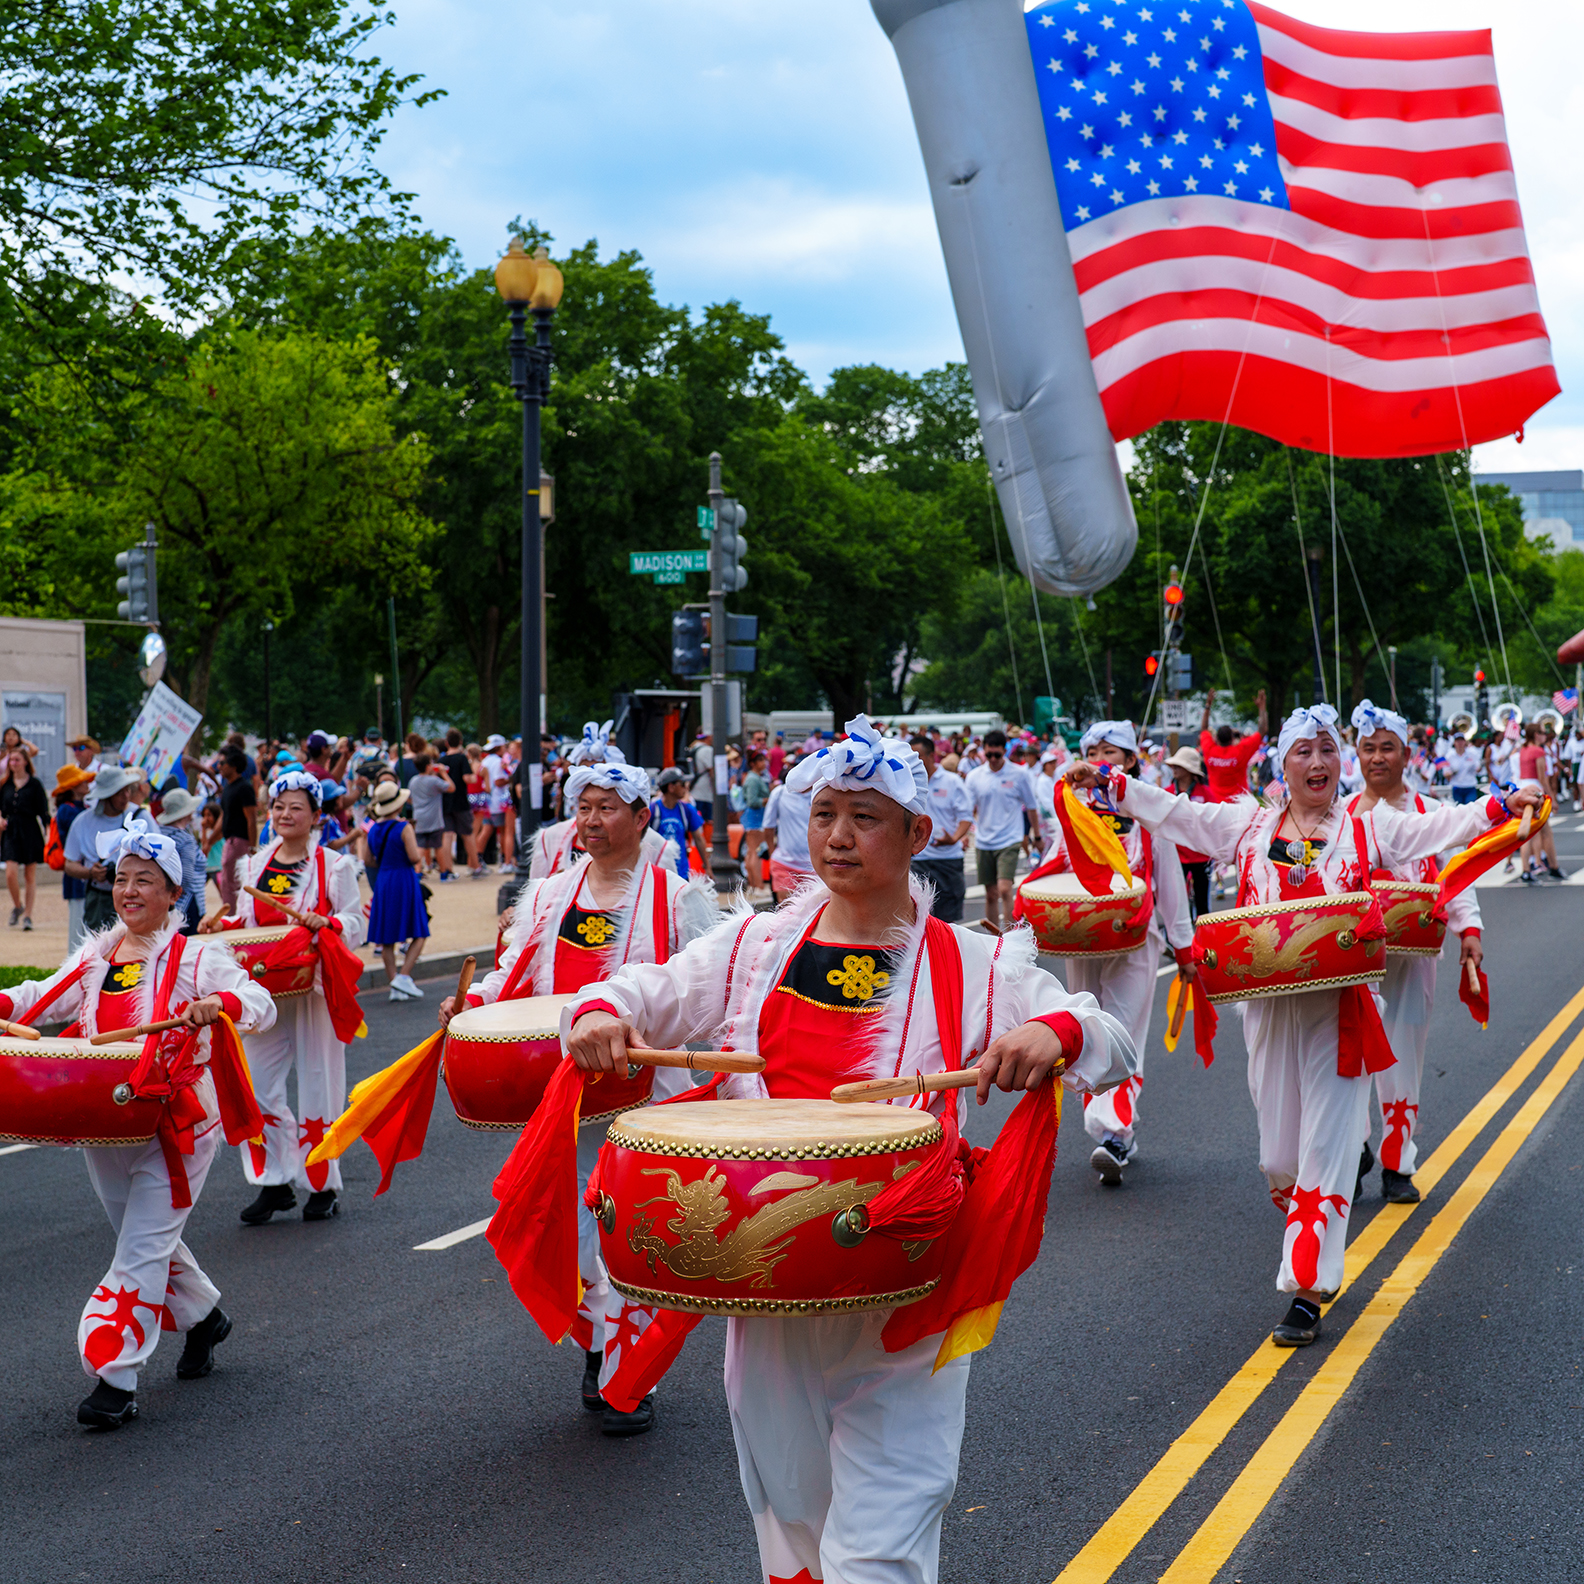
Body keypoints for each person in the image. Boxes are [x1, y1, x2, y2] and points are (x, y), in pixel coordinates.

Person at [560, 715, 1136, 1581]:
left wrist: (1054, 1030)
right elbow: (647, 990)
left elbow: (1107, 1039)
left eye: (865, 817)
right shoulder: (755, 945)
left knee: (882, 1537)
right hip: (767, 1278)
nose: (837, 836)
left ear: (919, 834)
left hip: (906, 1283)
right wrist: (600, 1010)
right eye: (825, 812)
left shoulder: (973, 963)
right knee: (789, 1520)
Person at [1065, 704, 1541, 1346]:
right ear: (1281, 764)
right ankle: (1309, 1236)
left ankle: (1309, 1287)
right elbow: (1179, 814)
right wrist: (1110, 784)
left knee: (1328, 1142)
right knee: (1278, 1157)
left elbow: (1443, 829)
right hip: (1265, 1010)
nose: (1317, 763)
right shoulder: (1248, 824)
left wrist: (1502, 805)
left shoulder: (1369, 828)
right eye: (1302, 753)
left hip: (1340, 1008)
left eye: (1326, 751)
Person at [438, 748, 716, 1436]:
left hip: (649, 1095)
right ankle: (602, 1344)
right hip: (566, 1091)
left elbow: (707, 990)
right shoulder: (552, 893)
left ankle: (622, 1366)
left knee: (633, 1225)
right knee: (579, 1223)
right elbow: (514, 968)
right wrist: (471, 1005)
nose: (590, 821)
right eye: (583, 807)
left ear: (642, 816)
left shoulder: (677, 898)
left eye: (607, 808)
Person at [0, 821, 274, 1428]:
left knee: (142, 1246)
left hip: (177, 1123)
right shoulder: (97, 958)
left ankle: (114, 1375)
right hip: (107, 1120)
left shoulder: (194, 957)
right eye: (121, 879)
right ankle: (205, 1319)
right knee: (145, 1239)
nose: (128, 891)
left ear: (172, 893)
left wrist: (219, 1005)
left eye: (143, 881)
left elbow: (260, 1003)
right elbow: (40, 999)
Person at [203, 770, 368, 1223]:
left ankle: (321, 1183)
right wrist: (222, 927)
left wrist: (329, 925)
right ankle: (274, 1181)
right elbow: (247, 925)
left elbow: (356, 923)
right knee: (254, 1083)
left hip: (313, 987)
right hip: (264, 990)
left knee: (320, 1084)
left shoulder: (334, 866)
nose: (285, 814)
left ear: (316, 816)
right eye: (279, 807)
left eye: (297, 807)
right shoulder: (254, 866)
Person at [1033, 722, 1194, 1186]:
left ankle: (1115, 1132)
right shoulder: (1073, 807)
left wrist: (1184, 948)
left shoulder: (1145, 808)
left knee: (1124, 1029)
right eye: (1095, 750)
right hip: (1085, 938)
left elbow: (1168, 882)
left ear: (1129, 761)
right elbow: (1056, 865)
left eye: (1113, 751)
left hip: (1135, 939)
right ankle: (1112, 1129)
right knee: (1088, 1028)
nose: (1103, 757)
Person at [1347, 701, 1483, 1205]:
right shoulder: (1341, 816)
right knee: (1347, 1056)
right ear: (1356, 756)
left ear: (1406, 754)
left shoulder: (1430, 814)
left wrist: (1469, 927)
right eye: (1368, 749)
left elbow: (1456, 874)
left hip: (1413, 955)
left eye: (1388, 748)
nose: (1378, 758)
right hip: (1354, 958)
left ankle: (1396, 1164)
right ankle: (1353, 1144)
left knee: (1403, 1057)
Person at [964, 729, 1040, 933]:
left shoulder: (1019, 774)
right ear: (983, 753)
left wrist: (1037, 836)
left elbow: (1031, 806)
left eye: (997, 755)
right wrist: (963, 835)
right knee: (990, 893)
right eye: (989, 755)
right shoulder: (974, 776)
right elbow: (967, 810)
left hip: (1010, 839)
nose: (993, 759)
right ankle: (993, 938)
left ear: (1005, 751)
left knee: (1005, 889)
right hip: (984, 840)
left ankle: (1009, 937)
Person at [364, 780, 428, 998]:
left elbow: (368, 860)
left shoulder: (372, 829)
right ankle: (404, 976)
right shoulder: (404, 827)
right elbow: (414, 856)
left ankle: (394, 983)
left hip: (384, 879)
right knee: (419, 930)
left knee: (387, 937)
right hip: (403, 878)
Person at [64, 766, 142, 934]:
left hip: (136, 896)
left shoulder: (139, 818)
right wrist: (90, 873)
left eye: (127, 790)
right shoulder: (83, 822)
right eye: (119, 792)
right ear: (106, 795)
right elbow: (69, 864)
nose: (126, 796)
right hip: (99, 897)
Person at [909, 733, 973, 921]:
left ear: (931, 756)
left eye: (918, 757)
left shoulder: (951, 782)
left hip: (947, 859)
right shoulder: (907, 784)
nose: (914, 762)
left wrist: (954, 838)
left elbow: (966, 817)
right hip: (918, 860)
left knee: (947, 921)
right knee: (918, 921)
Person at [1, 745, 49, 930]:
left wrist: (48, 831)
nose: (13, 763)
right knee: (10, 873)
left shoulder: (35, 784)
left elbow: (43, 810)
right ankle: (18, 906)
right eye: (11, 760)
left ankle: (28, 915)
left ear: (25, 762)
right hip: (11, 831)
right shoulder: (5, 783)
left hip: (29, 830)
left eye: (17, 760)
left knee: (30, 875)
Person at [1164, 745, 1213, 919]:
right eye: (1173, 766)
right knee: (1176, 903)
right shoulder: (1167, 793)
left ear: (1189, 770)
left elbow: (1213, 821)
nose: (1174, 769)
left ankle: (1204, 941)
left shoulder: (1206, 793)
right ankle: (1178, 941)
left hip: (1201, 855)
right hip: (1176, 855)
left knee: (1202, 906)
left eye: (1179, 765)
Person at [1198, 687, 1269, 802]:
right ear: (1232, 738)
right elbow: (1262, 731)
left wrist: (1208, 705)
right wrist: (1262, 708)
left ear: (1216, 739)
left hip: (1216, 805)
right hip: (1239, 804)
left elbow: (1203, 729)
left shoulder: (1210, 750)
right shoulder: (1241, 750)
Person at [51, 765, 93, 951]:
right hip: (76, 873)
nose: (87, 784)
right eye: (82, 781)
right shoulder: (68, 810)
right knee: (78, 925)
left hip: (82, 872)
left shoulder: (79, 807)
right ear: (73, 787)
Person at [1516, 723, 1563, 882]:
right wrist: (1553, 798)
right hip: (1535, 789)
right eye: (1543, 732)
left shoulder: (1523, 749)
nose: (1545, 735)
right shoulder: (1538, 751)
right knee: (1546, 832)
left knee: (1528, 831)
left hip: (1522, 788)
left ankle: (1526, 869)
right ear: (1536, 734)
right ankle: (1553, 866)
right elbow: (1543, 778)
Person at [154, 789, 206, 933]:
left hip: (164, 902)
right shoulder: (185, 839)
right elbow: (186, 878)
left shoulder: (158, 833)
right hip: (186, 904)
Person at [214, 746, 258, 910]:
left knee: (232, 884)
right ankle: (231, 915)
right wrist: (210, 841)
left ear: (233, 765)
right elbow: (224, 816)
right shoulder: (228, 788)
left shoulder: (244, 788)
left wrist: (252, 847)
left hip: (239, 841)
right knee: (227, 882)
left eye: (223, 762)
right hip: (229, 841)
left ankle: (233, 917)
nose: (220, 766)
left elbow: (251, 819)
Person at [761, 775, 815, 902]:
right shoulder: (780, 793)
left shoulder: (820, 793)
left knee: (813, 913)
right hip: (784, 864)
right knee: (786, 912)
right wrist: (772, 852)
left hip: (814, 867)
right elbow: (768, 826)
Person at [648, 767, 707, 878]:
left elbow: (698, 838)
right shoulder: (653, 810)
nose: (686, 787)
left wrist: (707, 866)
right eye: (682, 784)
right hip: (657, 873)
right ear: (671, 787)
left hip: (681, 874)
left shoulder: (686, 810)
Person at [406, 751, 454, 877]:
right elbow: (451, 787)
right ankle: (444, 872)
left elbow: (409, 798)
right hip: (434, 819)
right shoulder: (434, 781)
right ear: (428, 766)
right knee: (438, 846)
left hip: (419, 817)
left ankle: (417, 871)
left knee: (420, 846)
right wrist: (443, 773)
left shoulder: (413, 781)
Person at [439, 727, 474, 879]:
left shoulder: (441, 760)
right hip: (460, 800)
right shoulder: (462, 758)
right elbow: (468, 778)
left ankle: (448, 868)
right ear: (460, 742)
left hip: (445, 802)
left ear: (446, 743)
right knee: (468, 834)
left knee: (447, 835)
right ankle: (475, 865)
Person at [481, 733, 515, 873]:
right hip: (499, 800)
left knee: (486, 830)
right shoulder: (498, 762)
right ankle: (506, 860)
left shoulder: (486, 760)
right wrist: (513, 778)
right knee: (505, 832)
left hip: (487, 801)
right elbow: (498, 781)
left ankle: (476, 860)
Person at [739, 748, 771, 889]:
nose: (763, 763)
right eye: (760, 760)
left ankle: (754, 884)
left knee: (751, 853)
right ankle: (758, 885)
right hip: (755, 820)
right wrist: (767, 800)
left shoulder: (753, 778)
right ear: (753, 763)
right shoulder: (753, 779)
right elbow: (752, 802)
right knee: (754, 853)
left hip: (752, 820)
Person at [1445, 730, 1482, 805]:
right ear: (1454, 743)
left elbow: (1478, 768)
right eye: (1457, 741)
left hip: (1470, 785)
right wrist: (1452, 772)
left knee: (1470, 807)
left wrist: (1475, 768)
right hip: (1457, 786)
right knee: (1459, 809)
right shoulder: (1450, 756)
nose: (1460, 743)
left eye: (1461, 741)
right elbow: (1446, 773)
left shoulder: (1472, 753)